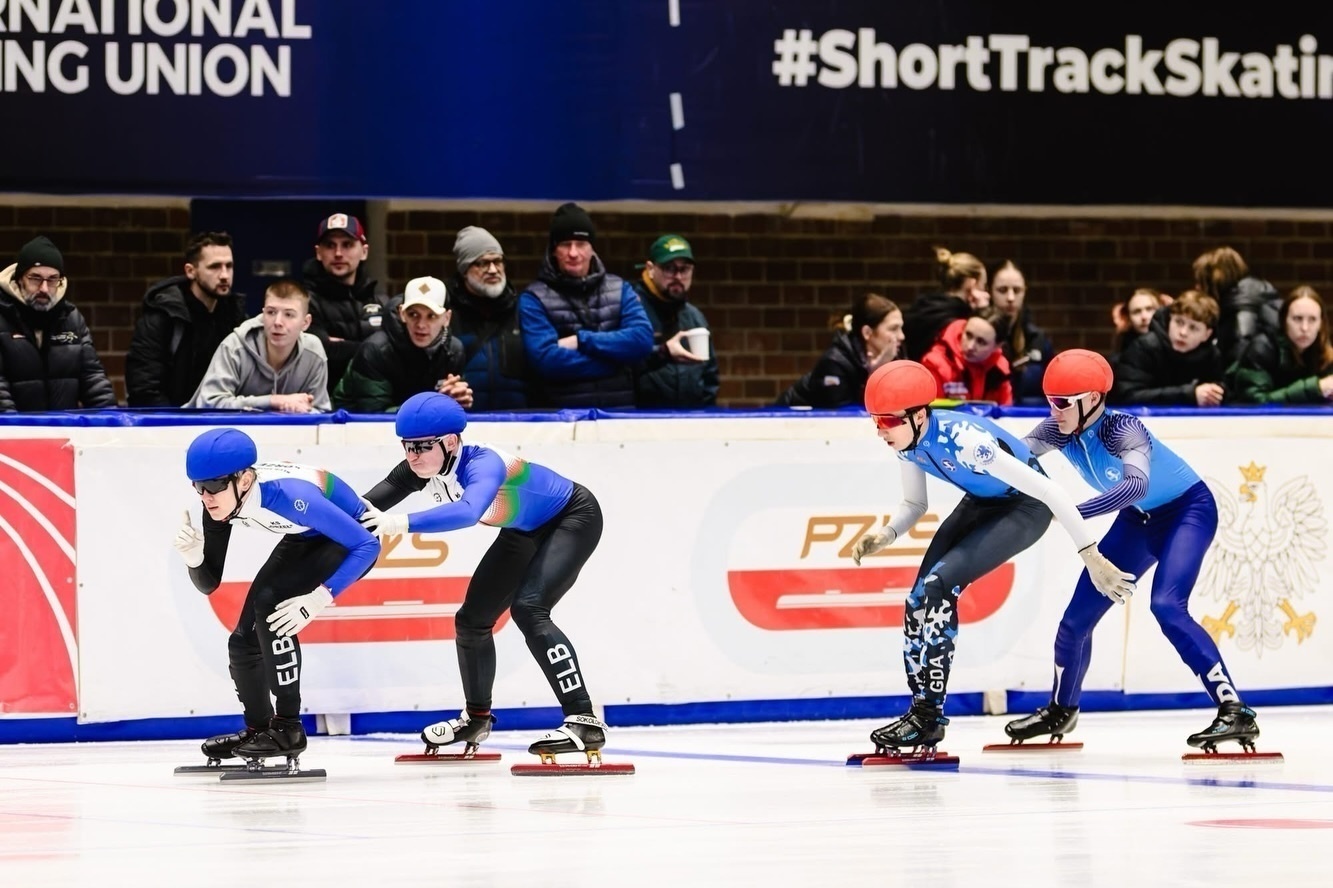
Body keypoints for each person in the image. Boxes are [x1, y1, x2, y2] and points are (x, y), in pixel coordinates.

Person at [850, 361, 1134, 754]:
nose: (880, 431)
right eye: (874, 422)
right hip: (984, 501)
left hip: (1026, 508)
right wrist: (886, 534)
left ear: (918, 415)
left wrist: (1092, 556)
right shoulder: (907, 440)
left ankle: (929, 719)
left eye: (885, 421)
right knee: (917, 599)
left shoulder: (968, 442)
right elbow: (915, 503)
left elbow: (1052, 495)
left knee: (937, 587)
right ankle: (920, 714)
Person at [1005, 350, 1261, 751]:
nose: (1053, 411)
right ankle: (1061, 710)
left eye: (1061, 402)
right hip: (1137, 522)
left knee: (1167, 606)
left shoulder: (1123, 429)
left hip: (1186, 512)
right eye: (1048, 400)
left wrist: (1071, 512)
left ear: (1092, 400)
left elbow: (1134, 487)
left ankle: (1235, 711)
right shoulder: (1058, 429)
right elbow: (1010, 458)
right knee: (1075, 623)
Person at [357, 392, 611, 762]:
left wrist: (399, 523)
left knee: (529, 610)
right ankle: (476, 719)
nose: (412, 456)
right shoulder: (417, 469)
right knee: (472, 621)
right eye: (407, 447)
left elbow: (467, 512)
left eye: (422, 447)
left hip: (573, 517)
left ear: (450, 442)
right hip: (523, 529)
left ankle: (584, 718)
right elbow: (364, 505)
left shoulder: (484, 463)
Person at [172, 428, 380, 764]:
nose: (205, 496)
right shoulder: (220, 502)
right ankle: (259, 728)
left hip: (348, 539)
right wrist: (193, 557)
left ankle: (288, 728)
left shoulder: (288, 496)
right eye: (197, 486)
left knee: (270, 607)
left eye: (212, 486)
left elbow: (367, 545)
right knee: (242, 640)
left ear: (244, 480)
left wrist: (318, 598)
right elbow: (209, 582)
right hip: (305, 536)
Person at [518, 202, 654, 408]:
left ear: (591, 248)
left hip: (620, 419)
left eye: (581, 243)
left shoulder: (620, 288)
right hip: (561, 423)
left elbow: (642, 340)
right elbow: (547, 361)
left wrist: (581, 340)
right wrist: (620, 362)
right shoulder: (533, 298)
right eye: (565, 244)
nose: (573, 253)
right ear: (554, 250)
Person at [126, 231, 247, 407]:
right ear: (191, 271)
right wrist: (175, 425)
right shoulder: (163, 316)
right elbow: (144, 388)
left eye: (229, 266)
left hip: (223, 419)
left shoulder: (236, 317)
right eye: (214, 267)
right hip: (172, 424)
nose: (224, 275)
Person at [0, 236, 116, 412]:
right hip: (15, 433)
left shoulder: (71, 318)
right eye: (35, 278)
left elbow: (92, 377)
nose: (44, 289)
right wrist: (16, 429)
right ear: (19, 279)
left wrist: (110, 420)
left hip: (64, 431)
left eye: (52, 279)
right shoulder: (3, 317)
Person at [186, 279, 331, 413]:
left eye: (289, 315)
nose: (278, 322)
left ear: (305, 323)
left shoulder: (314, 352)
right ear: (263, 314)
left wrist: (301, 410)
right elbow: (209, 403)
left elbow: (320, 411)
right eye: (271, 312)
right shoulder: (235, 347)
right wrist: (273, 401)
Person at [332, 276, 471, 413]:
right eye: (413, 315)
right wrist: (433, 407)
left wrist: (457, 401)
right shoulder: (376, 350)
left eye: (431, 316)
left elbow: (450, 411)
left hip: (417, 424)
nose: (421, 325)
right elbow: (375, 416)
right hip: (348, 428)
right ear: (402, 313)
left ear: (447, 318)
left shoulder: (454, 350)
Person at [629, 234, 719, 408]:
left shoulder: (695, 317)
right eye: (669, 268)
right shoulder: (631, 310)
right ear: (650, 269)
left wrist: (703, 416)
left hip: (689, 423)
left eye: (684, 269)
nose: (678, 276)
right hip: (639, 422)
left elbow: (710, 379)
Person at [448, 226, 529, 411]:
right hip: (466, 423)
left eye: (498, 261)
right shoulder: (446, 314)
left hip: (521, 424)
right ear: (464, 270)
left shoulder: (522, 308)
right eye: (482, 263)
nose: (493, 270)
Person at [776, 293, 904, 408]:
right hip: (791, 420)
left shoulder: (893, 357)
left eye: (901, 328)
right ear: (867, 333)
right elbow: (844, 418)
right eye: (893, 329)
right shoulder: (834, 363)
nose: (901, 336)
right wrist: (874, 375)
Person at [302, 213, 384, 386]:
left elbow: (396, 354)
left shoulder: (380, 302)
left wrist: (343, 346)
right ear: (318, 253)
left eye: (347, 244)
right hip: (322, 403)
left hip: (372, 401)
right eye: (330, 245)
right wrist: (374, 348)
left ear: (364, 251)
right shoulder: (304, 302)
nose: (338, 253)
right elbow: (323, 352)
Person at [1111, 291, 1226, 407]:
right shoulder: (1144, 347)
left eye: (1193, 327)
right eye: (1179, 322)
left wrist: (1215, 394)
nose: (1183, 332)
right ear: (1169, 319)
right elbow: (1127, 396)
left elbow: (1225, 393)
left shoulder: (1212, 355)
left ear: (1207, 334)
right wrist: (1189, 394)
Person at [1225, 285, 1333, 405]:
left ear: (1321, 324)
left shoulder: (1325, 353)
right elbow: (1257, 402)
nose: (1304, 328)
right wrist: (1315, 388)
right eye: (1297, 319)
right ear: (1284, 321)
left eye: (1312, 319)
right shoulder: (1263, 348)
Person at [1192, 246, 1281, 365]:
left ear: (1213, 283)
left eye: (1201, 282)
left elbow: (1237, 362)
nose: (1197, 288)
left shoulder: (1239, 313)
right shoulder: (1257, 299)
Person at [900, 247, 988, 361]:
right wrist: (984, 313)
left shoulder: (922, 307)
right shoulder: (961, 321)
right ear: (972, 285)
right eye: (984, 285)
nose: (986, 292)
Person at [989, 260, 1053, 405]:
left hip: (1029, 421)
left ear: (1025, 291)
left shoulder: (1038, 340)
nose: (1010, 298)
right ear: (989, 291)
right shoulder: (980, 339)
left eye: (1017, 290)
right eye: (1002, 290)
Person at [919, 308, 1014, 404]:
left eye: (981, 342)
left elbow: (1006, 413)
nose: (970, 346)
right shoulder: (934, 363)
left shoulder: (1000, 370)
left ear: (997, 346)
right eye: (968, 335)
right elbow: (931, 413)